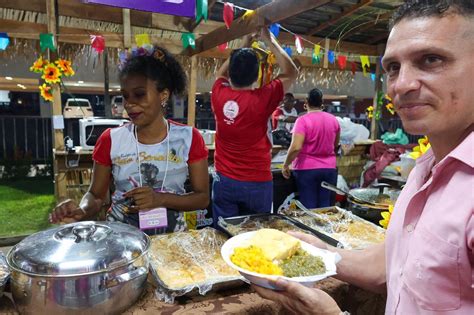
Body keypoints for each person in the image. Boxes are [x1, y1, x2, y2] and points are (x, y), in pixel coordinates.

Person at [254, 1, 474, 314]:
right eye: (393, 67)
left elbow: (296, 147)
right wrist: (321, 252)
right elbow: (394, 264)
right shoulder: (424, 168)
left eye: (431, 59)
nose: (402, 85)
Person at [50, 45, 210, 235]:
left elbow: (202, 198)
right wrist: (82, 210)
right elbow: (96, 195)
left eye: (139, 94)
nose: (129, 104)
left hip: (171, 239)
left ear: (163, 95)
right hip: (122, 237)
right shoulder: (111, 139)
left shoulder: (188, 138)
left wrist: (161, 199)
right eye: (125, 96)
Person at [211, 28, 298, 224]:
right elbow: (291, 71)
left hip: (224, 181)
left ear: (231, 72)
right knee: (256, 236)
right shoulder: (262, 99)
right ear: (257, 73)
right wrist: (269, 40)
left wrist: (245, 43)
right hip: (257, 182)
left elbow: (219, 74)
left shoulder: (218, 94)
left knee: (225, 233)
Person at [282, 88, 340, 209]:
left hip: (306, 170)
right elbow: (335, 145)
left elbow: (296, 147)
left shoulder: (302, 121)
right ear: (321, 102)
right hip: (329, 169)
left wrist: (286, 164)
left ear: (306, 102)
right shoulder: (333, 120)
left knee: (309, 208)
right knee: (325, 208)